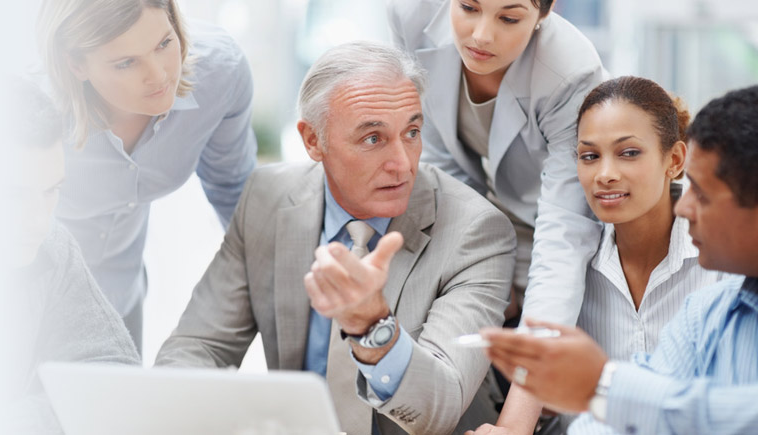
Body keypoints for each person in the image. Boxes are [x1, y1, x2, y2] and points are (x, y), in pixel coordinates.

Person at [155, 41, 515, 435]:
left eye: (412, 132)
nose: (403, 164)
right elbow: (199, 347)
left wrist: (373, 327)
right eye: (373, 138)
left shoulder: (476, 231)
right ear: (313, 140)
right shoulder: (266, 198)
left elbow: (439, 409)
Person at [481, 85, 758, 435]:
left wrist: (601, 384)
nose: (605, 174)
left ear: (675, 161)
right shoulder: (567, 272)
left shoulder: (720, 278)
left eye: (628, 153)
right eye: (589, 156)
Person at [387, 0, 608, 430]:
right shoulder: (411, 13)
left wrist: (514, 425)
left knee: (557, 394)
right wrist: (484, 259)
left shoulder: (571, 72)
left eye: (509, 17)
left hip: (557, 219)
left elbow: (564, 233)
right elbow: (436, 154)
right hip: (484, 207)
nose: (482, 35)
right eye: (469, 7)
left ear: (544, 13)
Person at [36, 0, 257, 351]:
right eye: (126, 62)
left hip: (121, 302)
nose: (159, 75)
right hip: (29, 304)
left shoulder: (220, 72)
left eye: (164, 43)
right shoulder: (26, 105)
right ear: (75, 64)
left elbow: (234, 190)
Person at [3, 80, 140, 434]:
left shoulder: (52, 248)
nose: (39, 221)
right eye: (13, 195)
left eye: (51, 191)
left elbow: (116, 381)